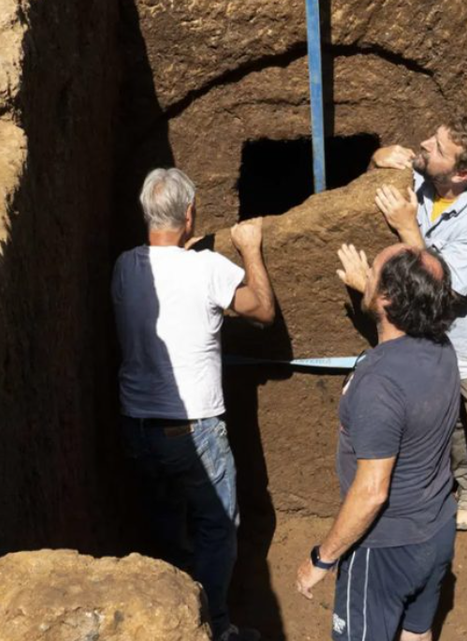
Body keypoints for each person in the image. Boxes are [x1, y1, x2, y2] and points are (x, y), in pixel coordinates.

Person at [112, 168, 275, 641]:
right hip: (193, 432)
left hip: (138, 429)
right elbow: (262, 310)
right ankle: (215, 626)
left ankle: (173, 620)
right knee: (217, 528)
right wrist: (249, 252)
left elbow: (166, 278)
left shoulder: (125, 267)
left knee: (166, 523)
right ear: (189, 215)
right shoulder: (208, 269)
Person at [369, 116, 467, 613]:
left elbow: (445, 291)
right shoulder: (430, 179)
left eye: (435, 147)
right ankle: (465, 496)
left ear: (463, 173)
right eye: (431, 136)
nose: (423, 145)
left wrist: (408, 229)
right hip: (436, 345)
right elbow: (392, 158)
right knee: (451, 433)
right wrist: (385, 156)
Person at [295, 243, 459, 641]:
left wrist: (323, 557)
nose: (364, 272)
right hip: (436, 531)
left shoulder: (378, 385)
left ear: (387, 299)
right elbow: (398, 345)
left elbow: (371, 492)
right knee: (416, 634)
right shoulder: (443, 350)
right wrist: (369, 290)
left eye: (372, 270)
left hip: (384, 548)